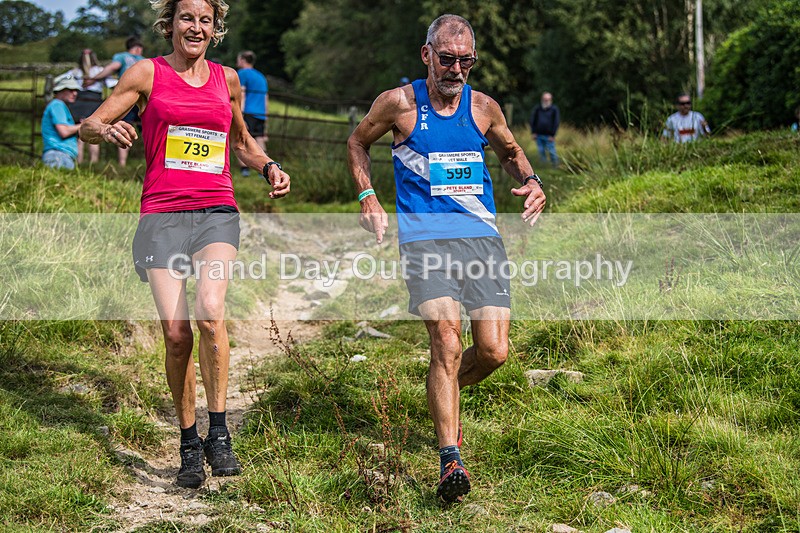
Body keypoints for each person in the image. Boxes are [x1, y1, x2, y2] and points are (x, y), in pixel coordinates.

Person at [79, 0, 290, 489]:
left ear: (215, 29)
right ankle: (188, 441)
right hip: (163, 215)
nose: (196, 27)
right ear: (170, 23)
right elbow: (89, 124)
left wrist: (269, 166)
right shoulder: (145, 74)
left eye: (204, 20)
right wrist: (106, 128)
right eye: (187, 18)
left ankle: (219, 432)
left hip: (216, 211)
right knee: (177, 336)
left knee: (210, 312)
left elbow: (241, 141)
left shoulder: (227, 79)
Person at [347, 14, 546, 503]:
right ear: (427, 54)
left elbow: (510, 151)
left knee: (494, 351)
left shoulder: (483, 107)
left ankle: (443, 394)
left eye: (466, 61)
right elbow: (357, 142)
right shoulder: (399, 104)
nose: (456, 69)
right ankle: (449, 458)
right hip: (425, 243)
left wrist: (532, 181)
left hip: (481, 241)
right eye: (447, 59)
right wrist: (368, 195)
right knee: (447, 342)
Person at [84, 36, 146, 166]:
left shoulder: (121, 57)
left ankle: (122, 162)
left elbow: (112, 68)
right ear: (137, 48)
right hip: (144, 98)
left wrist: (94, 79)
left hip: (128, 97)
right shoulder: (144, 61)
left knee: (124, 127)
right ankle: (149, 161)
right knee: (147, 130)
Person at [65, 49, 114, 164]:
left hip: (79, 103)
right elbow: (112, 83)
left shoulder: (75, 72)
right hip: (93, 103)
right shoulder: (100, 71)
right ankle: (93, 163)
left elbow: (65, 79)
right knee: (94, 133)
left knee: (79, 134)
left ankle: (79, 162)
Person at [235, 50, 268, 176]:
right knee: (260, 140)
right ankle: (265, 168)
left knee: (240, 139)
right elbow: (266, 98)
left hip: (248, 111)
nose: (237, 61)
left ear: (243, 60)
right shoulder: (261, 77)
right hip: (261, 113)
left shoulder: (242, 73)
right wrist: (266, 116)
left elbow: (242, 94)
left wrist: (240, 113)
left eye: (239, 59)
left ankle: (245, 169)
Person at [41, 73, 81, 170]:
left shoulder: (59, 106)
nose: (75, 93)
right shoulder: (57, 105)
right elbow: (64, 131)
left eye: (76, 90)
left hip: (61, 156)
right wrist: (84, 125)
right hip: (58, 156)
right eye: (70, 90)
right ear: (60, 90)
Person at [529, 91, 560, 167]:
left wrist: (552, 135)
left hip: (549, 136)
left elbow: (556, 122)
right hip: (538, 135)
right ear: (542, 99)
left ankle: (555, 166)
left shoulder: (554, 109)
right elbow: (533, 120)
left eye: (548, 99)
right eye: (544, 99)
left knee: (552, 152)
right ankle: (544, 167)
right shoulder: (537, 109)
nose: (546, 101)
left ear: (551, 100)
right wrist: (533, 132)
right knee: (541, 152)